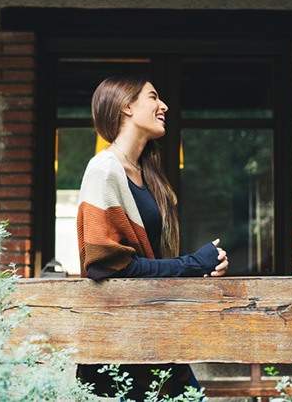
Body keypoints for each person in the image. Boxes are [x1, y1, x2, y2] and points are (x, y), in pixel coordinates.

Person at [75, 75, 229, 399]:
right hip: (117, 340)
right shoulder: (103, 170)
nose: (164, 106)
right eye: (153, 97)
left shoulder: (148, 174)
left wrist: (204, 266)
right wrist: (191, 265)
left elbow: (151, 260)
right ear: (127, 106)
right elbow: (106, 266)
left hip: (152, 329)